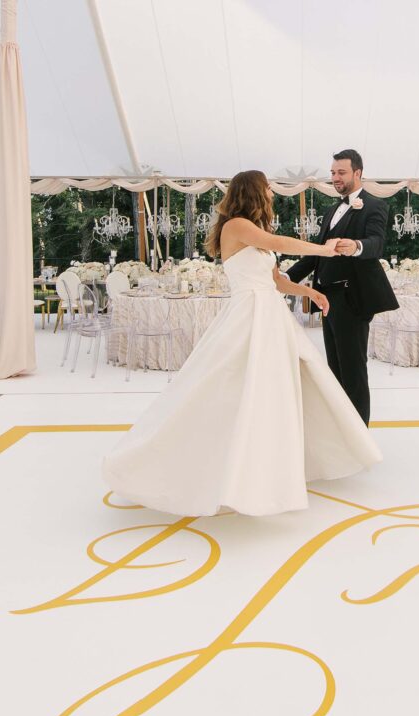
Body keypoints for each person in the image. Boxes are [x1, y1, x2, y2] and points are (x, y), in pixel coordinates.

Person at [102, 170, 382, 517]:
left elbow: (276, 280)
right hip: (249, 315)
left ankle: (268, 468)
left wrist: (310, 291)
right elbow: (280, 243)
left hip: (271, 315)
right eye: (266, 188)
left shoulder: (254, 233)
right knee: (229, 387)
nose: (271, 194)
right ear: (252, 191)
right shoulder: (235, 226)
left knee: (276, 391)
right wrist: (323, 248)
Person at [286, 149, 398, 425]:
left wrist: (357, 246)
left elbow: (376, 243)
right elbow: (316, 254)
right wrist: (286, 279)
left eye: (341, 172)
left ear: (357, 173)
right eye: (333, 172)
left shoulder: (374, 206)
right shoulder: (330, 210)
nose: (335, 177)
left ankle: (359, 433)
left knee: (353, 370)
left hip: (352, 298)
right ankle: (341, 429)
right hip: (327, 298)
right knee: (334, 368)